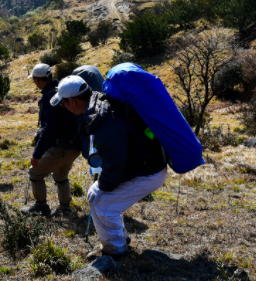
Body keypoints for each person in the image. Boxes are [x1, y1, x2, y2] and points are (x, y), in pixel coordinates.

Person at [51, 75, 168, 257]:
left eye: (63, 104)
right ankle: (120, 238)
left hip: (149, 171)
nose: (63, 108)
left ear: (72, 101)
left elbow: (115, 163)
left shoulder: (105, 120)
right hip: (144, 164)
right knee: (94, 195)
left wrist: (104, 186)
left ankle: (115, 251)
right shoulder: (99, 103)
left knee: (102, 203)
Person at [21, 63, 81, 218]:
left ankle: (41, 207)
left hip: (62, 147)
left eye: (34, 80)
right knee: (61, 175)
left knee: (35, 173)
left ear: (38, 80)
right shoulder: (62, 91)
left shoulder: (49, 97)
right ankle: (64, 208)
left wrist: (37, 154)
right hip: (75, 145)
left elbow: (49, 129)